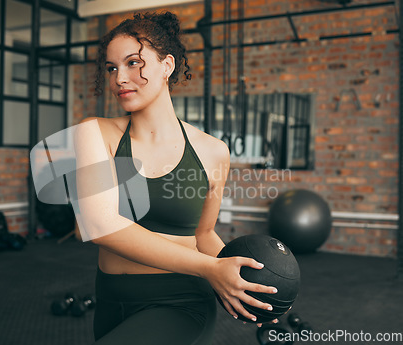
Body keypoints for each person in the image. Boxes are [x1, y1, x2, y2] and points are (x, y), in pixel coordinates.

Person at [75, 11, 278, 345]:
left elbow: (204, 234)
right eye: (111, 68)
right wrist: (211, 270)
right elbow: (97, 224)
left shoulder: (214, 152)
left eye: (133, 63)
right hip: (111, 300)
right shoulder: (95, 133)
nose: (119, 78)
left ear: (167, 65)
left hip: (181, 302)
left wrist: (239, 278)